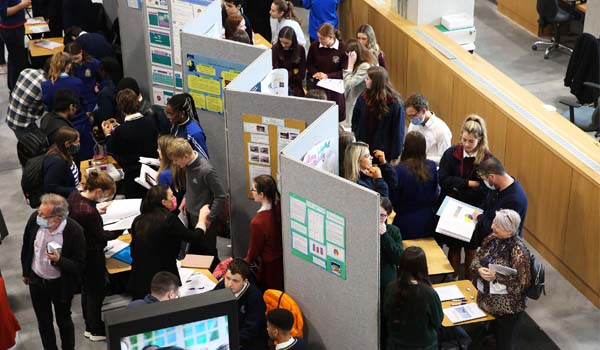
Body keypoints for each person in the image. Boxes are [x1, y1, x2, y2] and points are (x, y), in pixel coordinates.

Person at [20, 193, 86, 350]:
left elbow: (79, 266)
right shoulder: (35, 220)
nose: (38, 215)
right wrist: (26, 271)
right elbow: (27, 246)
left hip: (60, 285)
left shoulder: (74, 232)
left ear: (57, 218)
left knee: (64, 321)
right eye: (39, 211)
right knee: (43, 322)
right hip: (37, 281)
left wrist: (59, 260)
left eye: (43, 214)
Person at [128, 185, 212, 300]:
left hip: (139, 276)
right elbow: (194, 237)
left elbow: (133, 251)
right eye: (171, 196)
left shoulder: (139, 220)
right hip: (161, 278)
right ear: (163, 202)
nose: (174, 198)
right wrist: (202, 218)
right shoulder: (168, 219)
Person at [438, 114, 494, 279]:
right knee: (454, 248)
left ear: (480, 140)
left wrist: (458, 186)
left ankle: (469, 282)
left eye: (471, 141)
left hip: (474, 210)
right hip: (453, 208)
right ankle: (454, 277)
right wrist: (468, 183)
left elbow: (486, 188)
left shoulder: (487, 159)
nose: (466, 144)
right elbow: (443, 180)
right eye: (464, 140)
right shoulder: (451, 153)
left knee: (471, 250)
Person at [67, 170, 119, 342]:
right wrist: (120, 230)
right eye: (105, 195)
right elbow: (101, 235)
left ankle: (90, 324)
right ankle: (96, 329)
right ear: (98, 191)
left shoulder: (75, 196)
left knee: (87, 290)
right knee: (96, 292)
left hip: (80, 253)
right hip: (91, 254)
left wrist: (97, 210)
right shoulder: (88, 212)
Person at [470, 209, 531, 350]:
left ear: (509, 231)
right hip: (485, 302)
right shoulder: (492, 239)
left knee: (504, 344)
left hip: (507, 310)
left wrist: (496, 277)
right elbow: (476, 260)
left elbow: (523, 284)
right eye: (493, 223)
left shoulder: (518, 251)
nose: (492, 227)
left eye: (497, 226)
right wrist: (479, 269)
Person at [383, 246, 443, 350]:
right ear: (423, 267)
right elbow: (437, 321)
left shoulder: (390, 288)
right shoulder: (429, 293)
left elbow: (386, 314)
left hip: (396, 344)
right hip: (424, 345)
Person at [104, 88, 159, 199]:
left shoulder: (121, 131)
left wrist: (108, 135)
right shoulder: (151, 122)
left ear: (120, 107)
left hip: (132, 175)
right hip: (152, 171)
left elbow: (112, 149)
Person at [167, 138, 227, 237]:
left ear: (185, 156)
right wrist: (186, 198)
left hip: (203, 218)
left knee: (206, 250)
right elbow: (192, 186)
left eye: (176, 160)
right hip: (191, 214)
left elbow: (221, 196)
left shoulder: (206, 170)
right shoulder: (187, 164)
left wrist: (209, 218)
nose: (174, 163)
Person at [390, 131, 439, 239]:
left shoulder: (398, 171)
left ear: (405, 147)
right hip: (428, 221)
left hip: (404, 222)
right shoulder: (431, 166)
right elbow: (435, 194)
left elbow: (393, 199)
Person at [352, 66, 405, 162]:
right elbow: (355, 118)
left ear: (376, 82)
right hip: (363, 148)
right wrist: (357, 135)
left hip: (383, 153)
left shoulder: (395, 104)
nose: (365, 80)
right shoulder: (363, 97)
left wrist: (394, 156)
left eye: (368, 78)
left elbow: (398, 132)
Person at [214, 258, 267, 350]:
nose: (229, 284)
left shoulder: (254, 297)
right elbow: (210, 301)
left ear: (245, 281)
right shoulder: (223, 286)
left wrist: (229, 342)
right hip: (227, 334)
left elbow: (250, 330)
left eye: (235, 281)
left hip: (249, 341)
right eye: (228, 278)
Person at [475, 158, 528, 244]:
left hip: (502, 245)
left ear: (492, 177)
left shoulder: (514, 200)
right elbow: (487, 203)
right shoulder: (496, 186)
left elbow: (500, 229)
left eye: (485, 179)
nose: (485, 182)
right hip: (487, 233)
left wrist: (480, 217)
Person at [245, 175, 284, 291]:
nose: (252, 192)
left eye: (253, 190)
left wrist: (242, 265)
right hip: (281, 262)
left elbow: (254, 251)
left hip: (269, 268)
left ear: (261, 195)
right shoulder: (280, 209)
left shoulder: (257, 222)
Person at [306, 23, 347, 122]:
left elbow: (344, 72)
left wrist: (327, 76)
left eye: (322, 39)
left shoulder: (342, 48)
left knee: (334, 116)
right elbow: (309, 64)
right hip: (319, 86)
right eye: (319, 38)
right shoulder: (315, 46)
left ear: (331, 37)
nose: (320, 41)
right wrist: (316, 73)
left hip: (335, 88)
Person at [405, 93, 452, 165]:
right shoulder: (413, 125)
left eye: (413, 115)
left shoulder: (442, 130)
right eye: (409, 116)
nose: (411, 119)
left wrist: (423, 159)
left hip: (432, 169)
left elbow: (445, 158)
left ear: (423, 111)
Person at [6, 65, 48, 139]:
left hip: (11, 116)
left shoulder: (26, 71)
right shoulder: (45, 85)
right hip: (22, 124)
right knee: (33, 147)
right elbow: (49, 106)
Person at [342, 38, 377, 126]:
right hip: (351, 98)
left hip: (357, 102)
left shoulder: (364, 66)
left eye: (348, 55)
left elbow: (347, 84)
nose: (347, 57)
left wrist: (350, 64)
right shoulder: (359, 62)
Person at [166, 93, 209, 160]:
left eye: (171, 114)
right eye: (167, 113)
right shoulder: (175, 124)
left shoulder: (194, 133)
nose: (168, 117)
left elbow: (203, 161)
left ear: (182, 114)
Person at [43, 127, 81, 199]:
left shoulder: (64, 152)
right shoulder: (57, 163)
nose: (79, 144)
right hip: (65, 201)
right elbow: (51, 188)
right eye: (76, 142)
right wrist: (75, 190)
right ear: (67, 144)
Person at [0, 0, 30, 91]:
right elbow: (4, 12)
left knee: (15, 59)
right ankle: (15, 88)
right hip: (11, 30)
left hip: (17, 26)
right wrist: (22, 5)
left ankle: (14, 85)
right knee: (16, 61)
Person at [379, 197, 403, 300]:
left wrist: (385, 236)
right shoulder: (364, 228)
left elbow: (398, 258)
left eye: (382, 215)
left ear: (388, 215)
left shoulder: (393, 231)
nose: (378, 218)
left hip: (386, 276)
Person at [64, 42, 99, 113]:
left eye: (76, 58)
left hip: (92, 99)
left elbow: (107, 78)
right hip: (75, 103)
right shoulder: (66, 67)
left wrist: (100, 86)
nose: (74, 62)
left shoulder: (93, 63)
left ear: (81, 52)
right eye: (71, 60)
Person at [271, 26, 306, 97]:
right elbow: (276, 74)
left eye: (287, 43)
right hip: (279, 86)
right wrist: (292, 72)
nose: (283, 45)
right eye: (281, 42)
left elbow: (301, 75)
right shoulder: (275, 49)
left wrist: (285, 75)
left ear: (293, 41)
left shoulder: (300, 49)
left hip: (295, 86)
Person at [157, 135, 186, 206]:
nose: (157, 150)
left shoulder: (164, 175)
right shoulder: (182, 167)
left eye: (159, 149)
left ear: (165, 153)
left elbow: (161, 200)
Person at [93, 56, 122, 122]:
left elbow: (105, 117)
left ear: (104, 71)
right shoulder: (121, 84)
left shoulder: (105, 92)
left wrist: (93, 115)